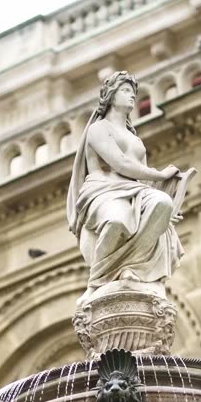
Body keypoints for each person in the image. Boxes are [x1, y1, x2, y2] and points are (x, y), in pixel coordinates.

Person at [67, 71, 185, 305]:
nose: (131, 96)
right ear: (110, 95)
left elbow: (144, 180)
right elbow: (120, 163)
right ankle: (97, 281)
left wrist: (168, 193)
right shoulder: (98, 129)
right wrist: (159, 174)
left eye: (133, 92)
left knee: (162, 203)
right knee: (118, 220)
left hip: (135, 190)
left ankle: (132, 266)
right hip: (103, 190)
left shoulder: (135, 139)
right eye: (125, 91)